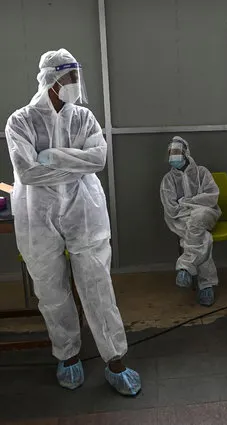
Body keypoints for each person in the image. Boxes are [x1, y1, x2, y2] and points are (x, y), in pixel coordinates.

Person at [4, 49, 141, 396]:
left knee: (97, 284)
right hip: (38, 215)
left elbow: (98, 159)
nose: (76, 85)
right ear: (51, 79)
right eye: (70, 78)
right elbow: (27, 172)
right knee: (51, 289)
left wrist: (49, 156)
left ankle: (115, 360)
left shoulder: (84, 118)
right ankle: (67, 355)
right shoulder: (19, 121)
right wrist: (72, 162)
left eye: (77, 77)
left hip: (84, 211)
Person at [160, 136, 221, 307]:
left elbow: (212, 197)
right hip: (180, 220)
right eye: (171, 152)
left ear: (186, 153)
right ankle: (206, 286)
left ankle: (185, 266)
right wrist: (189, 207)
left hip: (206, 214)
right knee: (204, 238)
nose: (174, 156)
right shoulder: (168, 180)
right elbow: (171, 209)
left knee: (199, 217)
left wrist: (186, 203)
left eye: (177, 152)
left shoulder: (202, 172)